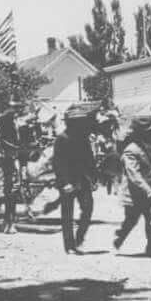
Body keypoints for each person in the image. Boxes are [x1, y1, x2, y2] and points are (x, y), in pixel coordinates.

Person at [114, 115, 151, 257]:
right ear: (143, 134)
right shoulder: (131, 150)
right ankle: (120, 237)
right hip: (133, 192)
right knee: (131, 220)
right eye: (150, 131)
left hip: (148, 189)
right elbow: (133, 175)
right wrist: (148, 190)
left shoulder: (149, 147)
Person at [53, 106, 96, 254]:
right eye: (78, 122)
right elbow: (58, 164)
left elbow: (90, 160)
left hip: (83, 180)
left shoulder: (84, 139)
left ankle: (79, 238)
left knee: (88, 208)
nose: (81, 125)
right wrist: (65, 183)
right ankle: (69, 245)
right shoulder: (62, 139)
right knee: (67, 214)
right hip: (68, 182)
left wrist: (93, 178)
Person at [0, 97, 26, 234]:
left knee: (12, 191)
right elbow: (1, 138)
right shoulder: (4, 119)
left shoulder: (14, 120)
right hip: (6, 155)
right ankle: (9, 222)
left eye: (19, 108)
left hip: (13, 154)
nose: (18, 111)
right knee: (10, 190)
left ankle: (9, 221)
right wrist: (15, 147)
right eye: (16, 108)